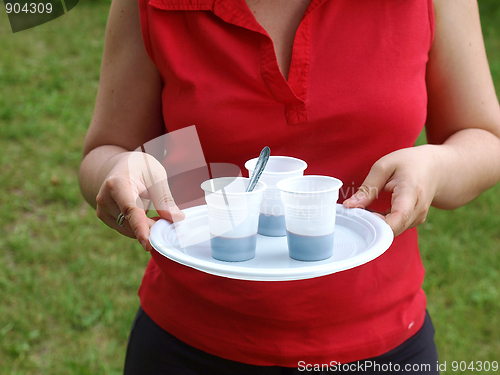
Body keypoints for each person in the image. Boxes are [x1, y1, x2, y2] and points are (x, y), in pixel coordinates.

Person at [78, 0, 500, 373]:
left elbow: (485, 138)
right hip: (192, 342)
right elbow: (105, 150)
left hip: (380, 343)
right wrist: (119, 167)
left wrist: (437, 165)